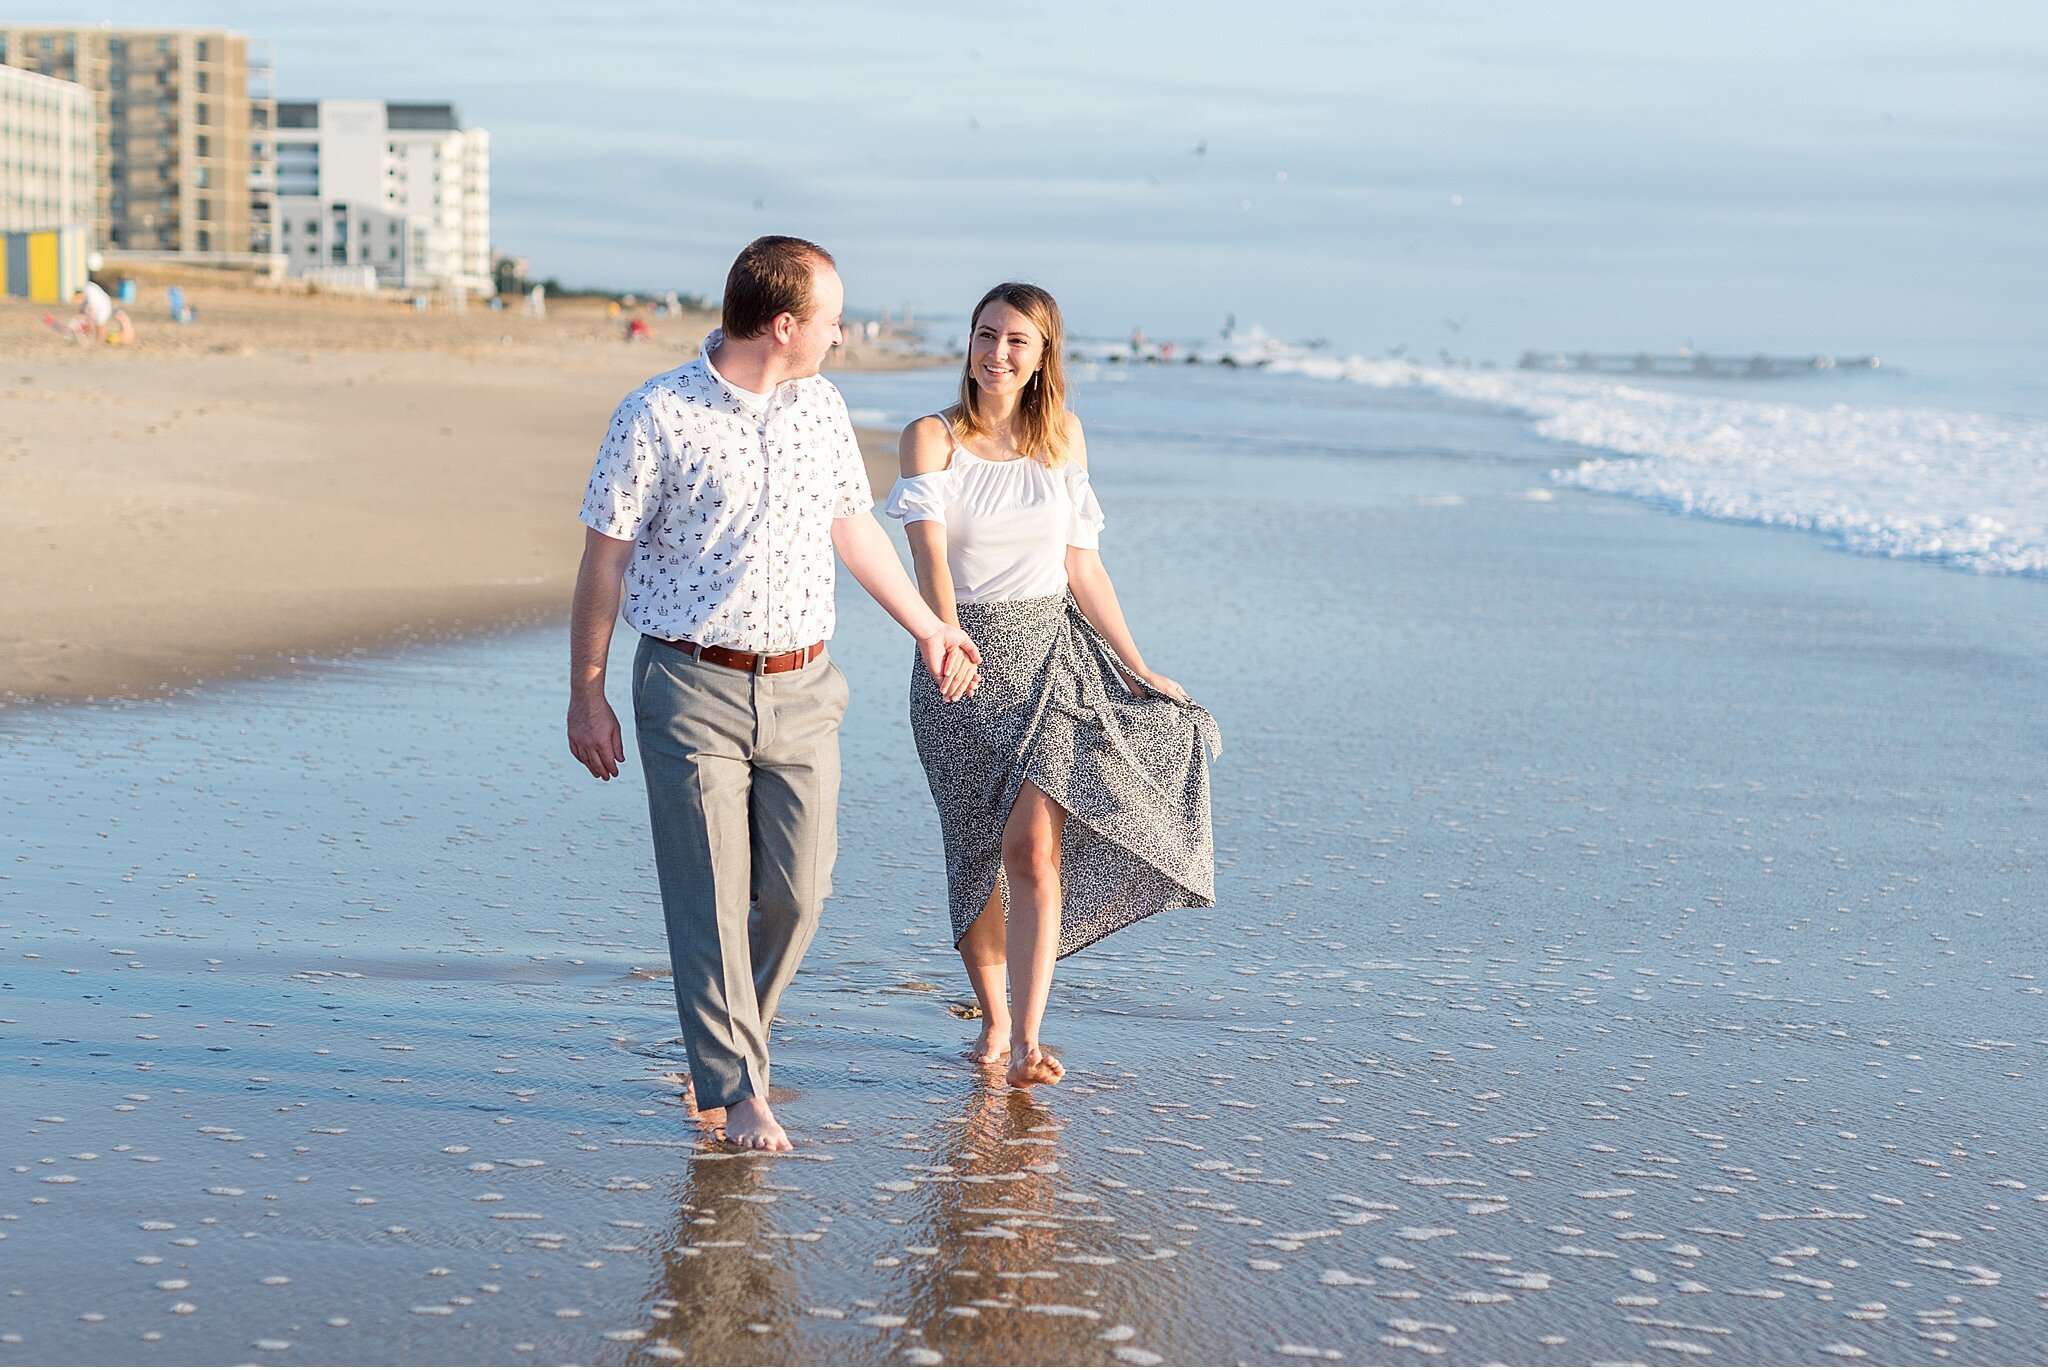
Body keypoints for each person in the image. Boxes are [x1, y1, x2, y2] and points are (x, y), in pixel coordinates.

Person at [568, 236, 981, 1152]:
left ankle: (727, 1039)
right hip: (689, 683)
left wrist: (929, 625)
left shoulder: (822, 407)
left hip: (805, 687)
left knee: (798, 893)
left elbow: (853, 529)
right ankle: (736, 1089)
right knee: (711, 895)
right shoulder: (657, 413)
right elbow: (605, 558)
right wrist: (585, 693)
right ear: (786, 324)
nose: (842, 337)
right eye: (833, 320)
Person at [886, 282, 1220, 1088]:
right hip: (958, 662)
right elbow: (928, 556)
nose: (996, 354)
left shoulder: (1063, 436)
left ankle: (1031, 1037)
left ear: (1042, 358)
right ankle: (993, 1021)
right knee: (975, 851)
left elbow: (1083, 566)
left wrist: (1138, 665)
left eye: (1016, 343)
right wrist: (942, 635)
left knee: (1033, 851)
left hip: (1051, 660)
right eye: (985, 336)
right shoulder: (931, 437)